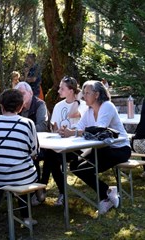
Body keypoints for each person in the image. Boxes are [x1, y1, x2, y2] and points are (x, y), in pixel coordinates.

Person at [58, 80, 131, 215]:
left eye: (87, 93)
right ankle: (108, 191)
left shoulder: (107, 106)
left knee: (85, 168)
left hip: (119, 149)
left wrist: (73, 132)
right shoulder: (89, 110)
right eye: (84, 93)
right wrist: (66, 131)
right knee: (75, 167)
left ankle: (105, 197)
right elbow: (79, 128)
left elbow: (99, 130)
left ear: (96, 94)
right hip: (100, 149)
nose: (84, 96)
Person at [0, 89, 39, 225]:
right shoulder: (28, 123)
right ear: (21, 107)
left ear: (1, 106)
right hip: (22, 177)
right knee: (28, 170)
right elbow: (34, 151)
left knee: (4, 166)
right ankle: (26, 217)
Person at [42, 76, 88, 206]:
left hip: (78, 147)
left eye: (62, 88)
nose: (58, 91)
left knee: (50, 157)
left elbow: (72, 114)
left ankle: (43, 189)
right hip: (62, 144)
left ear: (71, 90)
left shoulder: (82, 105)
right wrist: (58, 130)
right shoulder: (58, 106)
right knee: (50, 155)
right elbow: (55, 127)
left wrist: (77, 98)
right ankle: (59, 192)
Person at [14, 81, 49, 205]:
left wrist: (23, 131)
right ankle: (20, 190)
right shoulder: (16, 107)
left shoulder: (40, 104)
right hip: (23, 144)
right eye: (17, 94)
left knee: (31, 158)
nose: (20, 96)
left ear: (31, 93)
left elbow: (43, 126)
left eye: (22, 93)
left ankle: (36, 191)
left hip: (42, 144)